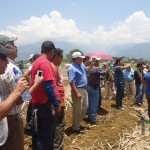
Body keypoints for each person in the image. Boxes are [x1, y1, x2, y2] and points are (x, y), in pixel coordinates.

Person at [0, 43, 43, 147]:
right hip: (11, 118)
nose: (7, 63)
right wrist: (18, 91)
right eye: (4, 58)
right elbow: (20, 100)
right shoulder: (11, 69)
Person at [30, 41, 61, 150]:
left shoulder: (36, 62)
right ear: (52, 51)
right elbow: (48, 86)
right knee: (46, 138)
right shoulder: (45, 63)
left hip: (37, 105)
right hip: (44, 106)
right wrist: (56, 105)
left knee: (38, 135)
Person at [67, 52, 89, 133]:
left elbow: (88, 70)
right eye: (81, 58)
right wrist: (77, 93)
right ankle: (75, 127)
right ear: (76, 59)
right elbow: (71, 82)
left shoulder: (81, 65)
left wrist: (92, 63)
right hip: (78, 89)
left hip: (84, 89)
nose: (82, 59)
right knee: (77, 109)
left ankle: (78, 123)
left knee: (85, 106)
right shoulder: (71, 68)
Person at [51, 48, 65, 150]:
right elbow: (52, 87)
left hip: (57, 100)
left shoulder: (56, 67)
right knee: (59, 124)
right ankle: (57, 147)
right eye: (61, 56)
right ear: (56, 56)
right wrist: (59, 101)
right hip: (56, 102)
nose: (62, 59)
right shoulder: (52, 68)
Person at [87, 57, 105, 124]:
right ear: (96, 62)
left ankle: (89, 116)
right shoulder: (96, 68)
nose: (99, 63)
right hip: (94, 88)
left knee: (89, 103)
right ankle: (93, 119)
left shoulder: (87, 68)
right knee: (94, 104)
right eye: (98, 62)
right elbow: (104, 73)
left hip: (88, 87)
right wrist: (107, 67)